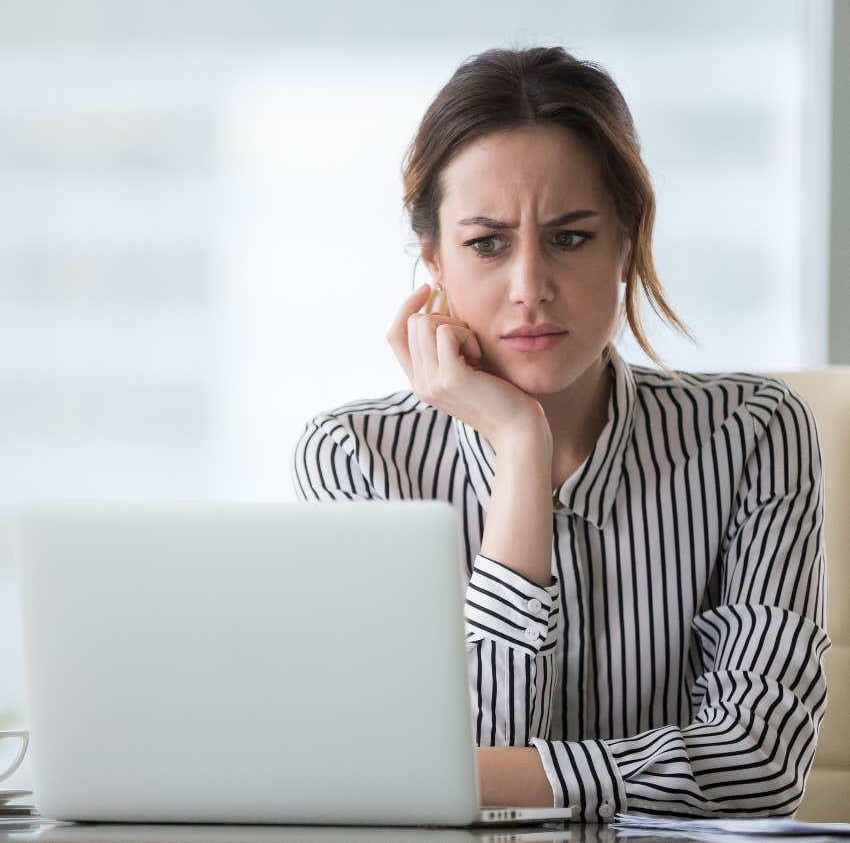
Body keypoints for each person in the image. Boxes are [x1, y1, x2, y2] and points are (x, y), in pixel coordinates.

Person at [291, 45, 830, 822]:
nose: (530, 289)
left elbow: (756, 766)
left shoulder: (754, 434)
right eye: (487, 243)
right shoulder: (357, 459)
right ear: (434, 259)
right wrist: (519, 449)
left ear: (626, 240)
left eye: (571, 237)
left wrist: (475, 776)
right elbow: (465, 767)